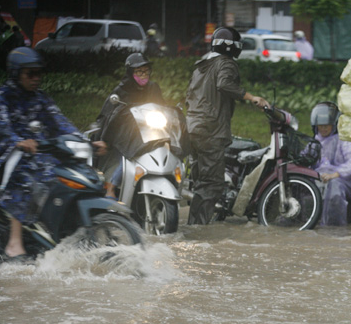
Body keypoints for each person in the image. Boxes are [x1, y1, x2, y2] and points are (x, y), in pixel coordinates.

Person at [0, 47, 107, 262]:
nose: (35, 79)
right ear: (16, 73)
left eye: (38, 73)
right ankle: (15, 244)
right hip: (3, 159)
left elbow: (61, 124)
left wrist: (86, 143)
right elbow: (0, 129)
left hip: (34, 154)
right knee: (24, 176)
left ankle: (49, 228)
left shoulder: (40, 98)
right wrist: (18, 142)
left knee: (59, 172)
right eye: (29, 74)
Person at [185, 26, 269, 225]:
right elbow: (224, 84)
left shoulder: (201, 65)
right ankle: (198, 230)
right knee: (211, 184)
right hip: (211, 130)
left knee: (200, 182)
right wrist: (251, 98)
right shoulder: (226, 63)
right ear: (230, 47)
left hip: (193, 127)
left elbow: (189, 95)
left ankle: (194, 224)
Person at [94, 52, 165, 199]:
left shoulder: (153, 88)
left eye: (146, 71)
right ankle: (111, 187)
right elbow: (108, 116)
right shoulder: (121, 91)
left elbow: (162, 108)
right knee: (130, 154)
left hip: (150, 131)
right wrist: (103, 139)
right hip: (124, 135)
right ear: (130, 72)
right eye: (139, 71)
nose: (144, 75)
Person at [311, 102, 351, 226]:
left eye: (327, 125)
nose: (324, 129)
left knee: (334, 186)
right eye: (321, 126)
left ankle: (333, 227)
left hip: (345, 180)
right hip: (321, 180)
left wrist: (335, 174)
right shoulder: (314, 142)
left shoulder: (344, 140)